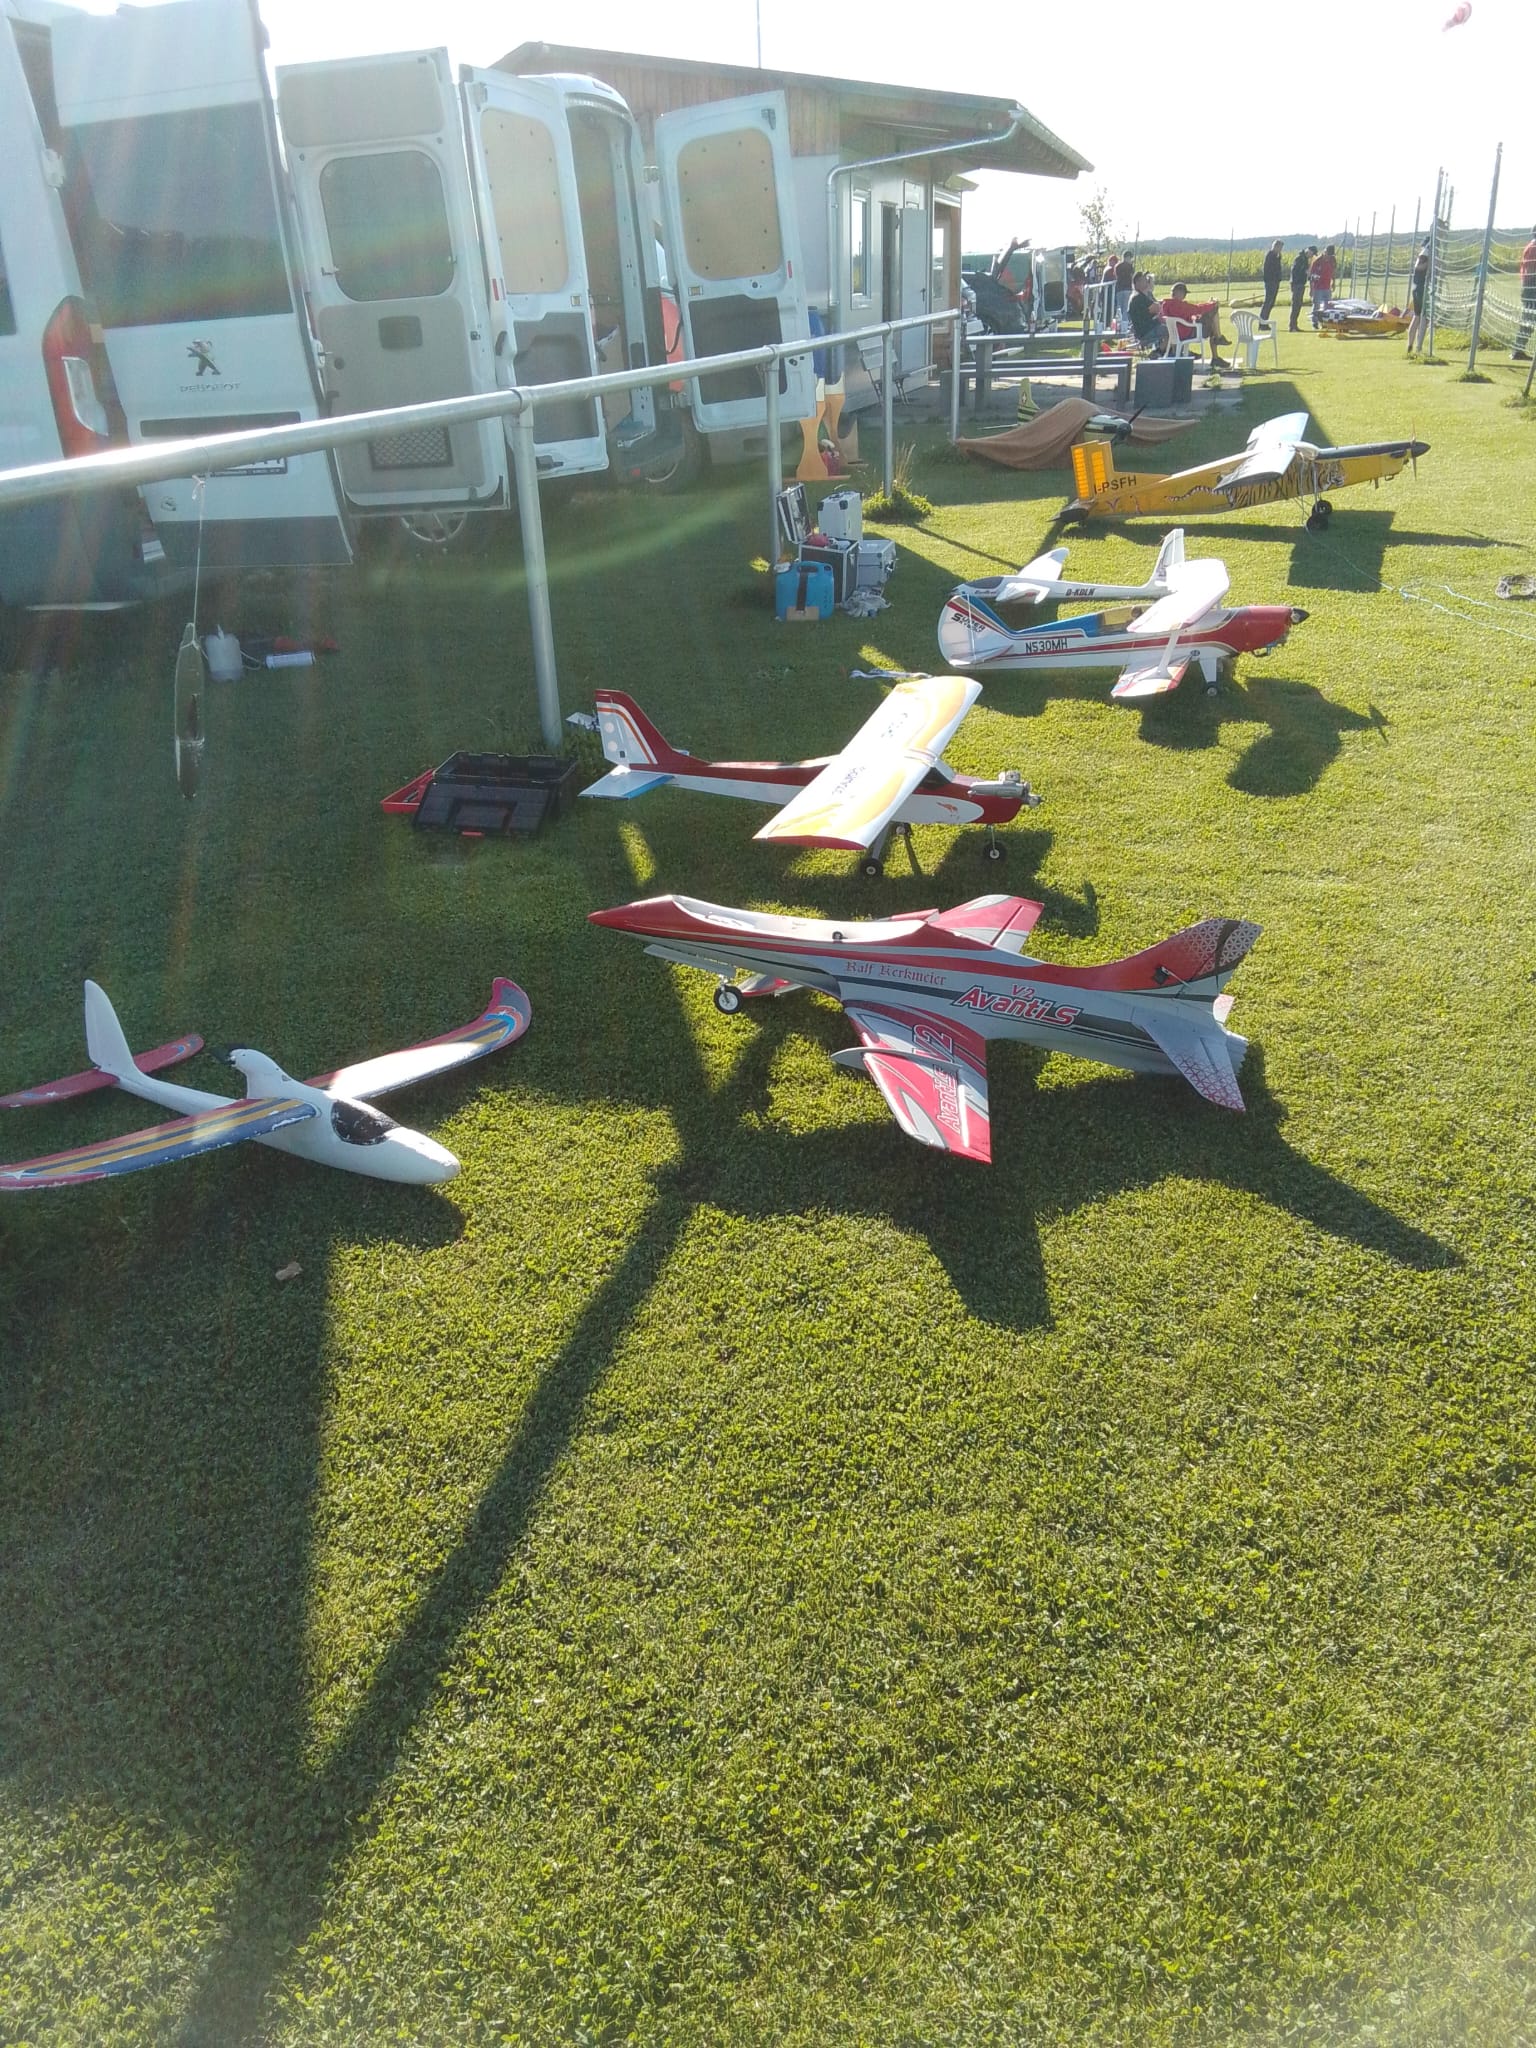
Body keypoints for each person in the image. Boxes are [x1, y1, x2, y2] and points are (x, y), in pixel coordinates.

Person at [1161, 282, 1231, 369]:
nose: (1185, 296)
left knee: (1212, 323)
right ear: (1179, 293)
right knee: (1214, 312)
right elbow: (1197, 309)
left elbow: (1192, 309)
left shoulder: (1166, 305)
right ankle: (1218, 341)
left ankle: (1217, 346)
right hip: (1187, 333)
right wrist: (1213, 304)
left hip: (1177, 334)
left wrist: (1208, 304)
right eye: (1184, 293)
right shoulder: (1179, 305)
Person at [1127, 272, 1169, 354]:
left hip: (1147, 329)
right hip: (1146, 331)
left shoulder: (1141, 296)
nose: (1147, 281)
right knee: (1172, 331)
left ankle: (1168, 351)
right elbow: (1157, 308)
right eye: (1144, 280)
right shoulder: (1138, 297)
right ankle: (1158, 352)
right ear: (1137, 283)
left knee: (1171, 329)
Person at [1513, 226, 1536, 360]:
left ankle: (1518, 349)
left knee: (1528, 320)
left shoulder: (1531, 246)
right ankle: (1518, 350)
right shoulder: (1534, 247)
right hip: (1532, 287)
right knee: (1528, 320)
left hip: (1529, 287)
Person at [1405, 240, 1431, 356]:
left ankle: (1412, 346)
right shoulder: (1426, 253)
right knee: (1423, 318)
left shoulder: (1426, 252)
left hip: (1419, 287)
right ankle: (1416, 347)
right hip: (1421, 288)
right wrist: (1429, 264)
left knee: (1418, 316)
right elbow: (1418, 267)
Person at [1309, 244, 1337, 328]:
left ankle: (1325, 323)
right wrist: (1311, 289)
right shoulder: (1317, 261)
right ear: (1325, 252)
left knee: (1328, 305)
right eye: (1328, 254)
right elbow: (1311, 275)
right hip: (1317, 287)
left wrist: (1333, 282)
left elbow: (1333, 271)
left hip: (1327, 287)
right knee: (1316, 305)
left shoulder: (1332, 260)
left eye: (1331, 255)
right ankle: (1315, 322)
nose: (1329, 257)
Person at [1261, 239, 1284, 323]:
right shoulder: (1270, 255)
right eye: (1280, 248)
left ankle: (1265, 321)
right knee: (1268, 302)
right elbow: (1270, 270)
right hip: (1270, 282)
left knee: (1271, 303)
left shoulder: (1276, 256)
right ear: (1275, 247)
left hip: (1275, 281)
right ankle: (1262, 322)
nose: (1280, 250)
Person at [1289, 245, 1312, 331]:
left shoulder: (1304, 259)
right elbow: (1294, 271)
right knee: (1295, 305)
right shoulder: (1299, 259)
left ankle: (1294, 325)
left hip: (1301, 284)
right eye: (1312, 254)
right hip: (1297, 284)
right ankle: (1292, 326)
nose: (1312, 256)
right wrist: (1305, 272)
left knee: (1298, 305)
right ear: (1309, 251)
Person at [1113, 250, 1136, 324]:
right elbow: (1132, 277)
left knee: (1119, 308)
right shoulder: (1129, 266)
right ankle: (1125, 324)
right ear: (1128, 257)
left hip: (1119, 289)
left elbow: (1116, 276)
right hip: (1127, 289)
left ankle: (1119, 324)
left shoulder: (1117, 266)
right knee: (1126, 308)